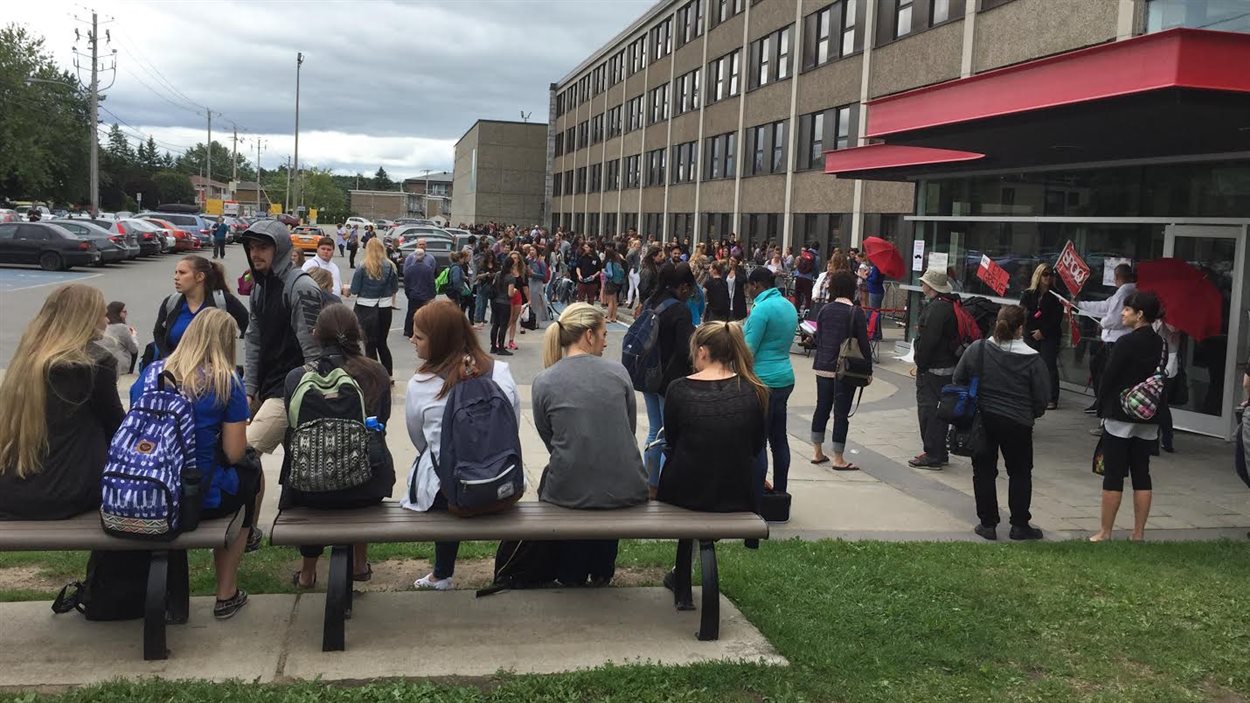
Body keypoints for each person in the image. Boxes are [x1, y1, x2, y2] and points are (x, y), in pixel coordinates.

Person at [132, 309, 257, 617]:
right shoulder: (226, 381)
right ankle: (226, 591)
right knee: (249, 477)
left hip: (150, 488)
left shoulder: (151, 374)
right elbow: (234, 452)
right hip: (198, 495)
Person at [403, 301, 521, 590]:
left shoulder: (420, 383)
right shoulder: (501, 372)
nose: (412, 341)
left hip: (450, 496)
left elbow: (418, 439)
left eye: (419, 336)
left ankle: (442, 573)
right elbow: (512, 425)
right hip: (502, 483)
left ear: (440, 340)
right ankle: (505, 569)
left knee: (440, 465)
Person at [532, 303, 647, 585]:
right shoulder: (618, 373)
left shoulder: (544, 380)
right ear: (588, 335)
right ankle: (602, 570)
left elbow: (550, 438)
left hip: (569, 491)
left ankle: (570, 572)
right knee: (603, 474)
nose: (607, 341)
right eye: (604, 334)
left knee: (568, 477)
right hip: (625, 487)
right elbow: (627, 429)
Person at [284, 305, 395, 589]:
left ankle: (308, 572)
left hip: (308, 490)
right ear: (358, 334)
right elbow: (381, 421)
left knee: (311, 466)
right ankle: (359, 562)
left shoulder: (297, 378)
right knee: (366, 453)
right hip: (366, 488)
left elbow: (294, 427)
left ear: (315, 335)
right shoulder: (377, 373)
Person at [0, 285, 124, 519]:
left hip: (12, 489)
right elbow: (118, 428)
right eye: (101, 313)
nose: (107, 320)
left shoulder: (30, 356)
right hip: (64, 491)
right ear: (85, 318)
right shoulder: (95, 362)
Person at [240, 219, 325, 547]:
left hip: (289, 389)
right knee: (254, 457)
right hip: (265, 386)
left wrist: (300, 395)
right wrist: (249, 389)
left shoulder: (300, 287)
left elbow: (314, 353)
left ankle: (248, 531)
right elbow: (254, 339)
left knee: (245, 451)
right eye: (251, 247)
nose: (255, 253)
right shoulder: (260, 286)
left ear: (280, 249)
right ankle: (250, 532)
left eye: (262, 246)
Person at [953, 305, 1050, 541]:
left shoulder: (979, 349)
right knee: (1020, 472)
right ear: (1021, 328)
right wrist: (1031, 413)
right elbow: (1042, 396)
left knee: (984, 470)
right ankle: (1019, 524)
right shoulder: (1033, 359)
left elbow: (958, 378)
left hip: (984, 417)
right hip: (1019, 421)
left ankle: (987, 523)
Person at [656, 321, 767, 512]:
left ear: (702, 352)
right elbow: (757, 445)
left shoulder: (678, 389)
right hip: (737, 493)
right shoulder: (754, 389)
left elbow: (672, 440)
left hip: (685, 493)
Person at [1089, 291, 1164, 543]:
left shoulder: (1125, 343)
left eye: (1127, 310)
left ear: (1140, 314)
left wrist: (1101, 404)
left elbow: (1109, 376)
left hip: (1120, 414)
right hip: (1148, 416)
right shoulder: (1159, 343)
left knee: (1113, 473)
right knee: (1142, 473)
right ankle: (1138, 532)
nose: (1122, 313)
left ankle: (1105, 531)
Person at [641, 263, 698, 494]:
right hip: (671, 380)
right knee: (670, 435)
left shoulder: (651, 302)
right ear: (683, 287)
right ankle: (665, 485)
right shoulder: (680, 311)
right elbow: (686, 351)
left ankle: (650, 482)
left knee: (655, 430)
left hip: (648, 375)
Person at [742, 267, 799, 498]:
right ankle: (781, 491)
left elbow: (748, 350)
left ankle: (756, 493)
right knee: (779, 438)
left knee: (759, 441)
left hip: (762, 381)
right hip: (785, 377)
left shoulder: (760, 309)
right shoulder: (788, 305)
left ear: (756, 285)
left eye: (749, 287)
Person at [810, 271, 872, 470]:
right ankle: (838, 457)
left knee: (822, 408)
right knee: (841, 413)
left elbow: (818, 338)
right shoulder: (855, 312)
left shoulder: (824, 310)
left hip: (822, 366)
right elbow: (864, 344)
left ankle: (817, 451)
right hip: (845, 369)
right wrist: (868, 370)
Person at [909, 267, 961, 470]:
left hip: (933, 369)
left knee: (929, 411)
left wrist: (920, 364)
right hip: (947, 366)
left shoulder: (936, 309)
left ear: (931, 286)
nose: (921, 285)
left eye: (923, 283)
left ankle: (933, 453)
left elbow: (929, 341)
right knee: (939, 410)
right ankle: (939, 451)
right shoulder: (949, 304)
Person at [152, 255, 250, 362]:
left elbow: (249, 328)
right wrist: (167, 359)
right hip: (175, 372)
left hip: (213, 374)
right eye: (176, 272)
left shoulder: (222, 301)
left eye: (182, 273)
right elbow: (158, 333)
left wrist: (233, 355)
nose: (176, 277)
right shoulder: (171, 302)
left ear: (200, 277)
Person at [1075, 263, 1137, 415]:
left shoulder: (1124, 293)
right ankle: (1100, 401)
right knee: (1097, 368)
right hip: (1114, 340)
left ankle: (1104, 404)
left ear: (1117, 277)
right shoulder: (1122, 293)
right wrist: (1080, 305)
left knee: (1105, 373)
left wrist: (1103, 323)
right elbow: (1105, 306)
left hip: (1116, 340)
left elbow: (1115, 319)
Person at [350, 238, 400, 377]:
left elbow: (354, 289)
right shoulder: (391, 266)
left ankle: (374, 375)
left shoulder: (362, 266)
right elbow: (395, 288)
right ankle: (389, 375)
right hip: (384, 307)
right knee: (382, 343)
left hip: (366, 307)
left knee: (369, 344)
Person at [1019, 264, 1064, 410]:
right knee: (1029, 364)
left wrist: (1043, 331)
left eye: (1051, 275)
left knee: (1048, 365)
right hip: (1031, 333)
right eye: (1045, 274)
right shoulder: (1028, 294)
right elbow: (1023, 313)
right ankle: (1028, 393)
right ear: (1038, 275)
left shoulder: (1056, 295)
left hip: (1049, 335)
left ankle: (1052, 398)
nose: (1048, 277)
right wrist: (1030, 328)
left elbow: (1056, 319)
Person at [402, 247, 436, 339]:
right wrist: (432, 294)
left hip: (413, 295)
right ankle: (422, 331)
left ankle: (409, 331)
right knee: (423, 314)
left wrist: (408, 294)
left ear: (414, 256)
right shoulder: (428, 269)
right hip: (425, 296)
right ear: (424, 257)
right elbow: (431, 282)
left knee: (411, 313)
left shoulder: (409, 269)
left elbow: (406, 283)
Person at [101, 301, 139, 374]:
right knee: (134, 350)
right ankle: (130, 372)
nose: (127, 314)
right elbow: (134, 349)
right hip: (119, 366)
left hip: (104, 363)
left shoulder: (104, 326)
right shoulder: (121, 327)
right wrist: (133, 335)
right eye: (124, 312)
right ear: (117, 313)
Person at [504, 251, 528, 350]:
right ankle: (500, 339)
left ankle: (511, 341)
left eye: (516, 258)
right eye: (512, 258)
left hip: (518, 297)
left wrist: (529, 300)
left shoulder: (522, 271)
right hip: (508, 297)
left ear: (519, 260)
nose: (514, 260)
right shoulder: (506, 271)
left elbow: (525, 286)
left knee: (514, 320)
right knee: (508, 320)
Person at [473, 248, 498, 330]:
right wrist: (485, 274)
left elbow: (499, 273)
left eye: (491, 256)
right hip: (484, 285)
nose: (490, 257)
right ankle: (481, 319)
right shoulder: (482, 265)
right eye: (489, 256)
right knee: (483, 303)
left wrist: (494, 275)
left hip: (494, 285)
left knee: (494, 303)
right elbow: (478, 276)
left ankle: (493, 320)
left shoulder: (496, 264)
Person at [793, 242, 821, 312]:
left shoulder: (804, 253)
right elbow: (816, 269)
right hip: (808, 278)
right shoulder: (816, 257)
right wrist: (816, 277)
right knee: (808, 296)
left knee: (797, 295)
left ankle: (796, 311)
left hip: (799, 276)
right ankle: (806, 312)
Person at [526, 245, 549, 323]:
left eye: (533, 250)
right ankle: (532, 319)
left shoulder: (540, 262)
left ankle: (537, 321)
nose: (531, 251)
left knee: (538, 302)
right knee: (531, 302)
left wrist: (533, 274)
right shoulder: (529, 260)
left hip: (538, 284)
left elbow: (544, 275)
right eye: (530, 250)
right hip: (530, 283)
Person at [602, 243, 624, 323]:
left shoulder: (609, 263)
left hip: (610, 283)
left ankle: (609, 317)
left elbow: (610, 274)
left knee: (610, 301)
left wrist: (604, 271)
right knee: (614, 300)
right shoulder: (616, 262)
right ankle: (614, 316)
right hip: (617, 283)